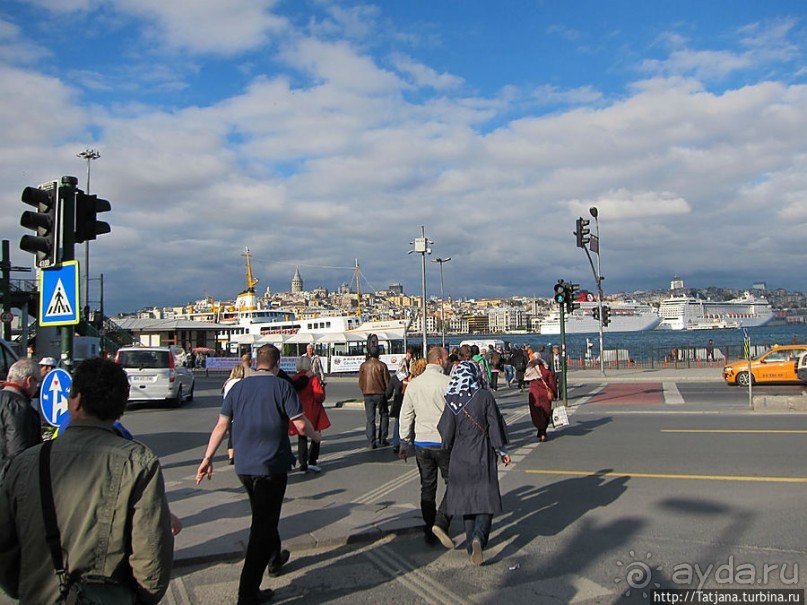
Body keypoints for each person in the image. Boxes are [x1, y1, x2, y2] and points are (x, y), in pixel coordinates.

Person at [0, 357, 174, 604]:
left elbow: (5, 545)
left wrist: (30, 587)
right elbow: (151, 557)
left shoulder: (27, 463)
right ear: (120, 408)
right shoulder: (138, 462)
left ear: (76, 401)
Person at [197, 344, 320, 605]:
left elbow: (221, 425)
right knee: (262, 526)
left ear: (255, 362)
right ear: (277, 365)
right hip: (271, 467)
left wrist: (208, 458)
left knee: (264, 515)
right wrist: (315, 435)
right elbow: (299, 423)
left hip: (244, 466)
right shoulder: (282, 386)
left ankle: (274, 558)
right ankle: (247, 591)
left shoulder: (239, 387)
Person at [438, 361, 510, 566]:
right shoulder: (484, 397)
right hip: (482, 453)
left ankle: (471, 544)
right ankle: (479, 537)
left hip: (460, 456)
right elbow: (494, 425)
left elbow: (445, 432)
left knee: (468, 503)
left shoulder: (452, 399)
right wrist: (502, 450)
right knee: (485, 501)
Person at [398, 346, 454, 548]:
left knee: (427, 487)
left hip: (422, 442)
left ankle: (429, 528)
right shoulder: (449, 383)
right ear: (439, 360)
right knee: (454, 484)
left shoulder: (415, 384)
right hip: (444, 443)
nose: (448, 362)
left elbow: (406, 414)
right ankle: (442, 521)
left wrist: (404, 442)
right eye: (447, 358)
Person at [0, 358, 42, 486]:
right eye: (37, 382)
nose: (36, 388)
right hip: (7, 483)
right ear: (29, 381)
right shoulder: (19, 407)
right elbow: (18, 451)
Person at [289, 356, 330, 473]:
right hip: (313, 409)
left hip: (299, 409)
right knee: (316, 435)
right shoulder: (313, 378)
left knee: (302, 437)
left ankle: (302, 463)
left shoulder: (295, 378)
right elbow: (318, 395)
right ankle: (312, 461)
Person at [358, 345, 390, 449]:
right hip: (380, 393)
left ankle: (371, 441)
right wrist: (386, 392)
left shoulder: (364, 366)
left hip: (367, 394)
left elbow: (361, 381)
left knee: (370, 418)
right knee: (384, 415)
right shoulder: (382, 365)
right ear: (378, 354)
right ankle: (382, 438)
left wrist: (364, 391)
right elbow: (387, 381)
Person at [528, 357, 558, 442]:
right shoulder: (547, 371)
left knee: (536, 413)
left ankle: (540, 430)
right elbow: (552, 384)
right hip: (545, 395)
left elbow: (525, 379)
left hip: (535, 395)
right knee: (546, 412)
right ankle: (543, 431)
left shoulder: (532, 371)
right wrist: (554, 394)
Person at [223, 364, 247, 465]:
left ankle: (231, 456)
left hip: (229, 410)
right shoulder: (242, 383)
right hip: (240, 412)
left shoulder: (227, 382)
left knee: (231, 435)